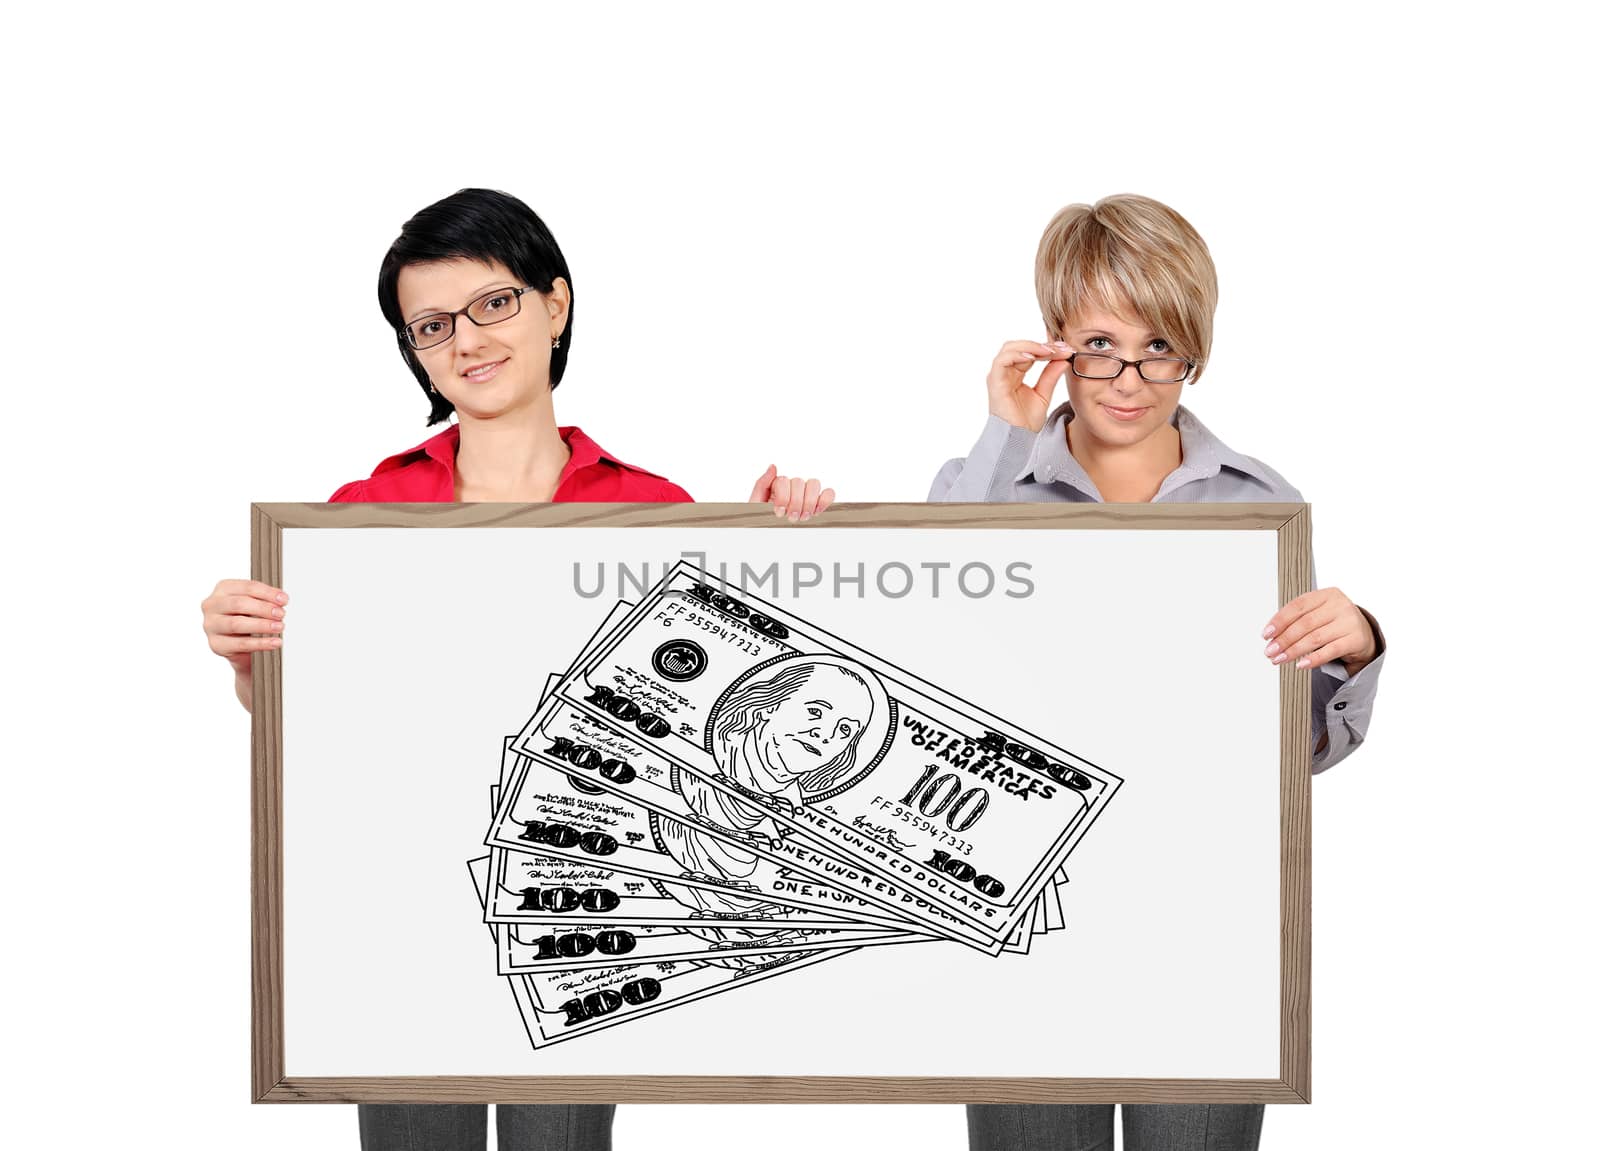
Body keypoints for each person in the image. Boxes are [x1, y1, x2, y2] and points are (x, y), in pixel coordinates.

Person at [200, 188, 837, 1151]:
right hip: (403, 910)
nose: (467, 340)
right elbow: (320, 724)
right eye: (432, 325)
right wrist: (250, 655)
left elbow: (715, 724)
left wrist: (769, 548)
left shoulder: (650, 508)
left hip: (583, 897)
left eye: (493, 303)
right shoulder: (363, 512)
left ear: (555, 304)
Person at [929, 193, 1386, 1151]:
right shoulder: (982, 479)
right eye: (1098, 344)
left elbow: (1288, 751)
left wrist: (1354, 649)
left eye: (1159, 347)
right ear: (1055, 341)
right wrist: (1005, 435)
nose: (1129, 378)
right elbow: (936, 657)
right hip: (1017, 919)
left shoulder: (1261, 504)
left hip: (1200, 930)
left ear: (1195, 352)